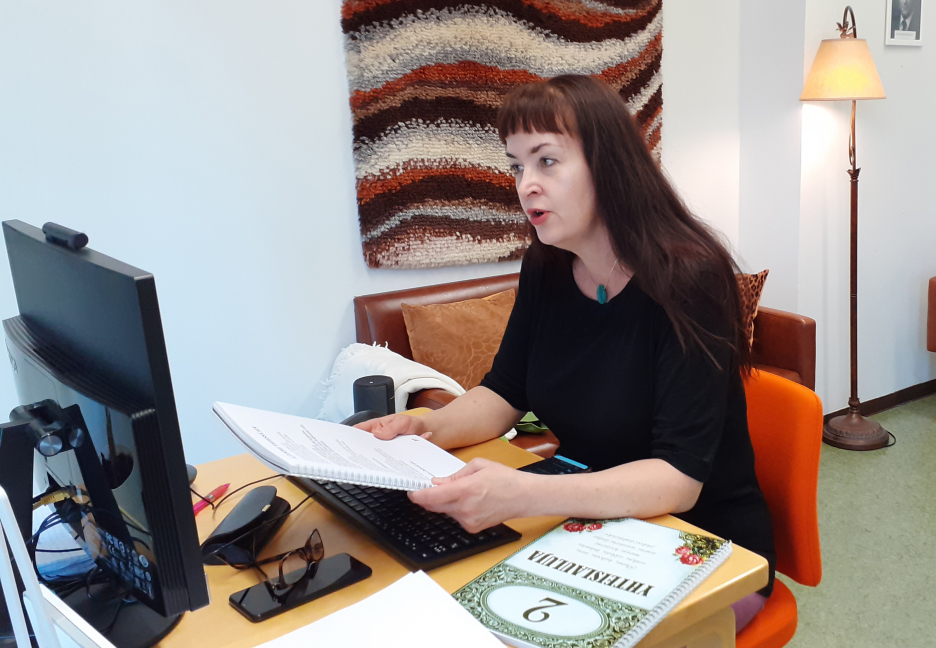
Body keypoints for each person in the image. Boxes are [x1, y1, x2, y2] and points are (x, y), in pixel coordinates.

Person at [356, 75, 776, 632]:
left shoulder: (689, 280)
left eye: (546, 161)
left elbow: (679, 477)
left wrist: (526, 493)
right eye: (516, 165)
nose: (526, 184)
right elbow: (504, 391)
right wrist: (421, 427)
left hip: (702, 543)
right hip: (591, 523)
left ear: (610, 165)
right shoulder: (547, 264)